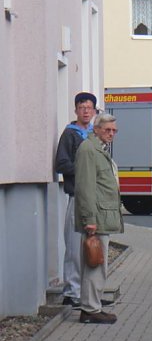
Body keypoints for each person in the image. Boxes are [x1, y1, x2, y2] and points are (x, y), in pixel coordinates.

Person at [75, 113, 124, 324]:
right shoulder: (88, 150)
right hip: (96, 218)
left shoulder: (98, 150)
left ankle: (92, 306)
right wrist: (89, 220)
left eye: (114, 130)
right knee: (94, 263)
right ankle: (89, 309)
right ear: (96, 129)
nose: (111, 133)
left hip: (102, 215)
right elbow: (85, 187)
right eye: (107, 130)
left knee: (97, 263)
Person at [54, 92, 97, 309]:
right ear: (76, 110)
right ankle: (72, 291)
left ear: (95, 111)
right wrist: (83, 171)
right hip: (76, 195)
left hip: (93, 198)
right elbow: (61, 164)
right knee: (73, 246)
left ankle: (89, 293)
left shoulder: (95, 135)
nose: (86, 111)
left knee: (91, 247)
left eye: (89, 107)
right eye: (82, 107)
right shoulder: (70, 135)